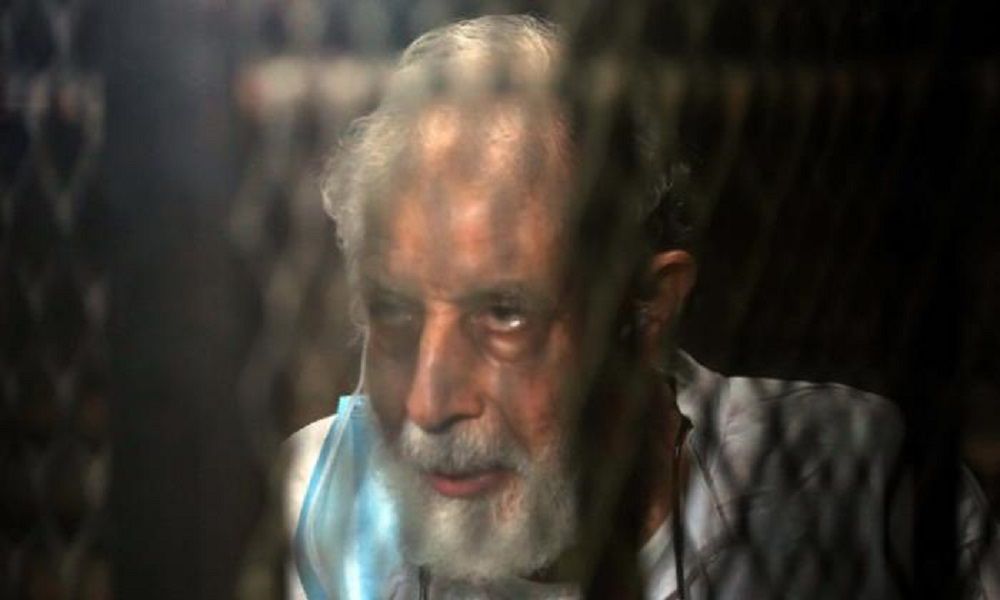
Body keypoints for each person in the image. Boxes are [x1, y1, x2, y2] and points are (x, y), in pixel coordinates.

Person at [284, 14, 999, 599]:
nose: (428, 402)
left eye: (504, 314)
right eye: (396, 313)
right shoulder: (318, 509)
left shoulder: (851, 486)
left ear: (649, 309)